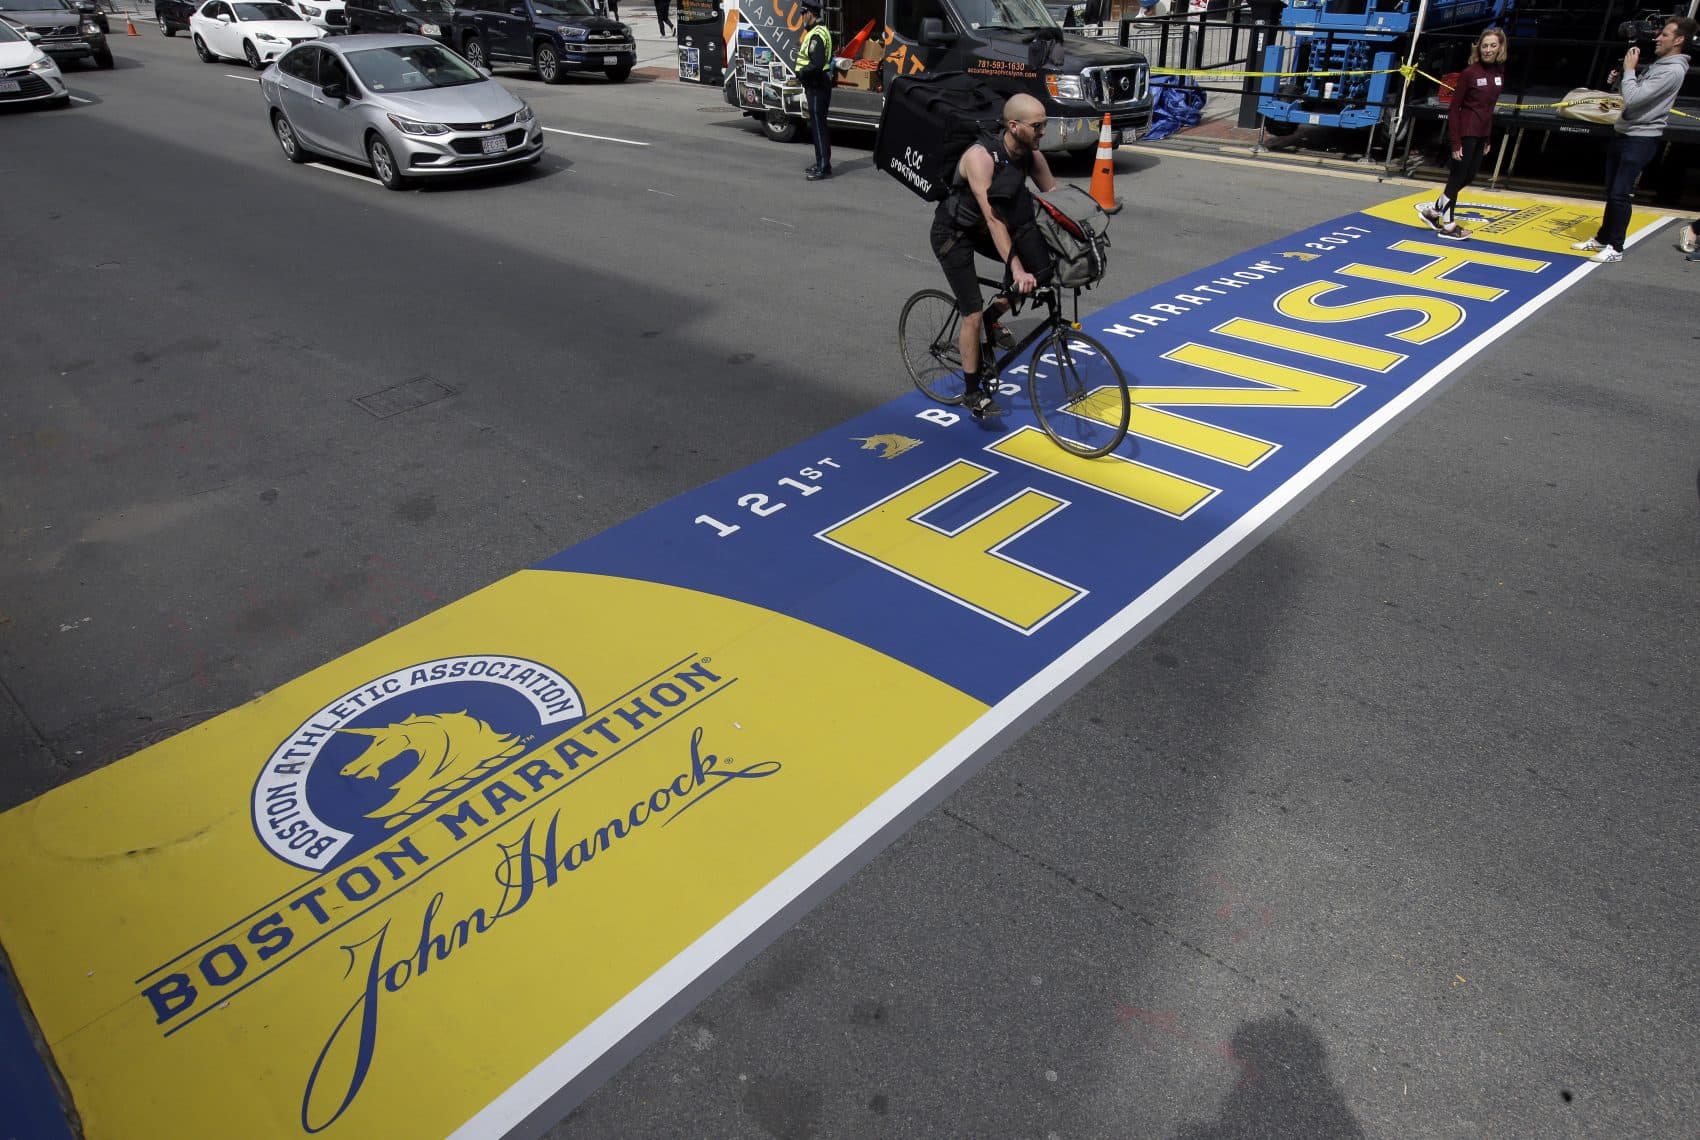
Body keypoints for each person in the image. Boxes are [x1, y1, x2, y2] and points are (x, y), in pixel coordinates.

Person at [929, 93, 1058, 418]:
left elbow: (1055, 203)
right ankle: (973, 392)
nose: (1043, 131)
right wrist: (1015, 269)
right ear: (1013, 126)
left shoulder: (1031, 155)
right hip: (953, 234)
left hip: (986, 231)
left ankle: (993, 315)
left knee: (1041, 271)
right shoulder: (981, 157)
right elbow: (993, 218)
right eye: (1037, 126)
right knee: (970, 313)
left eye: (1045, 124)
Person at [1570, 16, 1695, 264]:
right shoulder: (1660, 65)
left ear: (1679, 40)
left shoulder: (1673, 70)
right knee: (1611, 191)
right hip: (1625, 132)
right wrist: (1620, 79)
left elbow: (1635, 99)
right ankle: (1603, 237)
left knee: (1621, 193)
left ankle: (1616, 247)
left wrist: (1629, 71)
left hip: (1640, 138)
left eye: (1665, 35)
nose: (1657, 38)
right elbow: (1629, 95)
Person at [1418, 26, 1508, 241]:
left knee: (1469, 176)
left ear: (1500, 47)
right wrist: (1455, 141)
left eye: (1492, 46)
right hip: (1466, 131)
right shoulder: (1470, 73)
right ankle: (1448, 226)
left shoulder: (1499, 73)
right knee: (1456, 177)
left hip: (1481, 132)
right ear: (1479, 48)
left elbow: (1489, 108)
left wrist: (1487, 137)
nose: (1488, 50)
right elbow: (1454, 107)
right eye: (1484, 46)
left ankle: (1432, 212)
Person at [795, 0, 834, 181]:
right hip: (818, 84)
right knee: (819, 125)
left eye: (804, 13)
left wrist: (802, 72)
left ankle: (823, 167)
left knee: (818, 128)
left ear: (811, 13)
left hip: (817, 84)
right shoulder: (819, 31)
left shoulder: (817, 35)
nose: (802, 17)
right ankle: (821, 162)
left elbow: (817, 64)